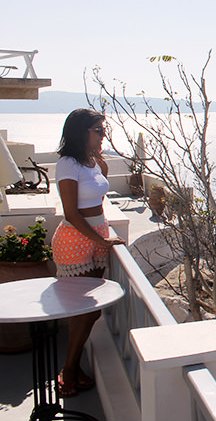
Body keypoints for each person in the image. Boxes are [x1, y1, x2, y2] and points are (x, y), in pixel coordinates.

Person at [51, 108, 125, 398]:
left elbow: (99, 202)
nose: (103, 134)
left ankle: (73, 367)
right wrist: (101, 240)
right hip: (75, 240)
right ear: (81, 132)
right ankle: (68, 370)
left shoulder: (95, 162)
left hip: (97, 237)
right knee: (80, 312)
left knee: (91, 312)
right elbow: (71, 213)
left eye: (103, 129)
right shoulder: (67, 164)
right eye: (98, 130)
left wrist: (103, 237)